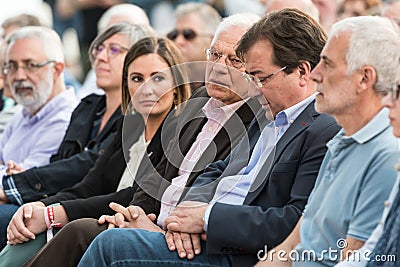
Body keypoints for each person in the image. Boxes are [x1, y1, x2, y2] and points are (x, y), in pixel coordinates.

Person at [76, 9, 340, 267]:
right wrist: (186, 216)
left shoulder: (323, 129)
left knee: (109, 244)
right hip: (193, 233)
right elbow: (217, 170)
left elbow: (295, 220)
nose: (255, 88)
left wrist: (206, 219)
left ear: (303, 72)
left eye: (260, 78)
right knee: (93, 234)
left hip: (235, 251)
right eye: (214, 55)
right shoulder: (268, 115)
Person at [15, 13, 261, 267]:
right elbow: (150, 180)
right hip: (147, 222)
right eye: (215, 55)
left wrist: (153, 225)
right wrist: (135, 214)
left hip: (185, 239)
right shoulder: (194, 104)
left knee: (88, 235)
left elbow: (216, 195)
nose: (220, 67)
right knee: (64, 229)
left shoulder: (255, 122)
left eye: (234, 60)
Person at [0, 36, 193, 267]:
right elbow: (89, 186)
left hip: (133, 224)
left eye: (158, 78)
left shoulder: (182, 131)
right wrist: (39, 207)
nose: (146, 88)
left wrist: (53, 214)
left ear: (176, 85)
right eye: (136, 79)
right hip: (100, 218)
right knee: (27, 223)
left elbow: (133, 195)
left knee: (75, 230)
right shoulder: (127, 126)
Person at [256, 15, 400, 267]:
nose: (314, 75)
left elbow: (352, 258)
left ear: (364, 79)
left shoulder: (388, 154)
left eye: (327, 64)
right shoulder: (341, 138)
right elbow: (292, 245)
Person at [77, 3, 151, 100]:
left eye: (114, 49)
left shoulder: (147, 109)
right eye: (100, 48)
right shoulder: (97, 75)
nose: (101, 56)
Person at [166, 2, 221, 92]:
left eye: (188, 34)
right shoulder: (166, 82)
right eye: (173, 35)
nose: (178, 41)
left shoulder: (226, 83)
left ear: (212, 40)